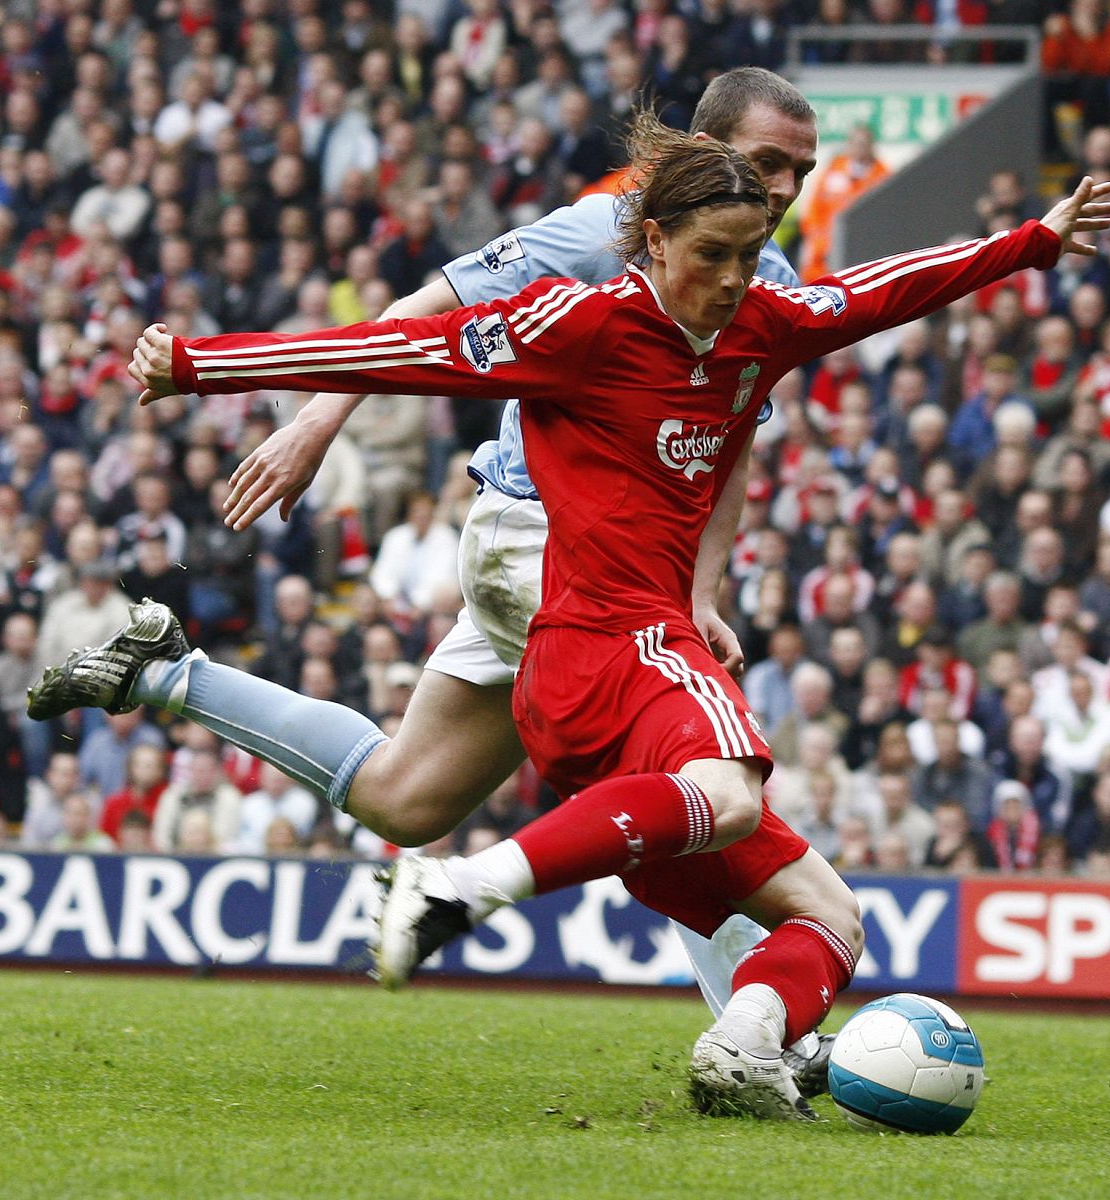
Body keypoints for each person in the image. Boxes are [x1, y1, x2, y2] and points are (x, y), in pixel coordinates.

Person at [36, 118, 1110, 1119]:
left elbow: (884, 289)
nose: (733, 278)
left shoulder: (762, 320)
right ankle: (463, 887)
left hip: (597, 648)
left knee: (827, 916)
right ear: (654, 235)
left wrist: (1032, 241)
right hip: (602, 626)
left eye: (751, 253)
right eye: (713, 253)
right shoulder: (583, 318)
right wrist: (203, 367)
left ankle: (744, 1043)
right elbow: (407, 347)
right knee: (724, 787)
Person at [197, 68, 835, 1085]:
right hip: (537, 533)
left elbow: (727, 449)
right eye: (767, 163)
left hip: (616, 563)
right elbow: (426, 310)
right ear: (699, 153)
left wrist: (700, 593)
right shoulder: (602, 231)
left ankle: (165, 673)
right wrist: (317, 420)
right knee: (684, 771)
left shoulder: (756, 271)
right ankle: (762, 1031)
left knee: (407, 798)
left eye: (801, 170)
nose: (786, 187)